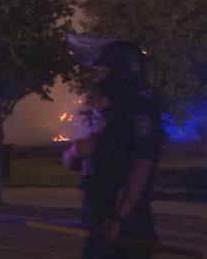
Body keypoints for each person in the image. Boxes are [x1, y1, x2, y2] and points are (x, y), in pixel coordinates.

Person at [63, 41, 164, 259]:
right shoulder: (106, 115)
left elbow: (141, 167)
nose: (96, 76)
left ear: (122, 72)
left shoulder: (139, 114)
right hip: (100, 221)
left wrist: (119, 218)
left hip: (127, 226)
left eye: (102, 70)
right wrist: (73, 153)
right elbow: (74, 161)